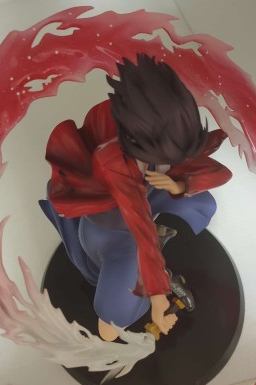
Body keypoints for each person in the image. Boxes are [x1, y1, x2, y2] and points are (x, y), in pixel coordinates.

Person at [40, 54, 232, 341]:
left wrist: (179, 185)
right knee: (109, 328)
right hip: (114, 237)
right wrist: (158, 298)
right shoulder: (112, 159)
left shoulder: (167, 135)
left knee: (202, 202)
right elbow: (140, 228)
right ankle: (145, 278)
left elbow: (219, 172)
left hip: (147, 201)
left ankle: (153, 273)